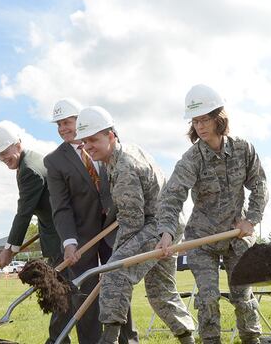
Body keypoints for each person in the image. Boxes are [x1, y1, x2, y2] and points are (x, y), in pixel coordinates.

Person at [155, 84, 268, 344]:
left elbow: (260, 184)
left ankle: (252, 340)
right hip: (202, 241)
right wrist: (167, 232)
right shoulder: (191, 159)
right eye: (195, 121)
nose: (200, 126)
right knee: (207, 298)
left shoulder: (243, 149)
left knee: (243, 297)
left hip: (237, 236)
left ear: (219, 118)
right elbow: (172, 196)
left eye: (205, 119)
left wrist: (251, 219)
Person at [75, 106, 195, 344]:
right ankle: (188, 339)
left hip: (157, 225)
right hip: (168, 223)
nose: (88, 147)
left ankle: (108, 338)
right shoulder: (120, 155)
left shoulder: (124, 166)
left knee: (114, 272)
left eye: (93, 140)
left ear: (111, 136)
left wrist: (113, 259)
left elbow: (132, 223)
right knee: (161, 291)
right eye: (84, 142)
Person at [44, 98, 138, 344]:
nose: (62, 128)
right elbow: (60, 206)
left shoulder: (104, 144)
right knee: (86, 293)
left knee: (117, 287)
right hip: (82, 234)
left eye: (67, 122)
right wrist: (69, 242)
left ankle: (129, 340)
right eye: (58, 124)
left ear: (80, 120)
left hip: (113, 230)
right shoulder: (54, 161)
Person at [0, 123, 68, 344]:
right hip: (53, 232)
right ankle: (60, 340)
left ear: (18, 144)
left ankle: (57, 341)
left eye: (6, 152)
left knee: (59, 290)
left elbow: (23, 213)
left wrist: (9, 248)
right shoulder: (30, 160)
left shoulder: (29, 171)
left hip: (61, 238)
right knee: (61, 289)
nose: (4, 158)